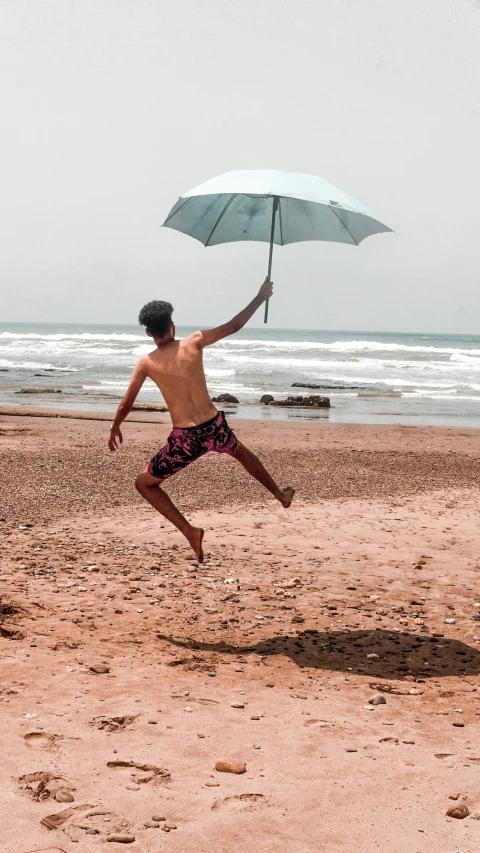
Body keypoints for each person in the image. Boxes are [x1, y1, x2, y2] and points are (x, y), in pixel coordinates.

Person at [108, 279, 295, 561]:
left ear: (148, 333)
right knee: (241, 453)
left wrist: (115, 427)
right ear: (172, 325)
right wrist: (260, 297)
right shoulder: (194, 341)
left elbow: (126, 404)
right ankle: (280, 495)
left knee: (144, 484)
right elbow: (233, 326)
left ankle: (190, 532)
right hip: (213, 427)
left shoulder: (147, 363)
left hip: (185, 439)